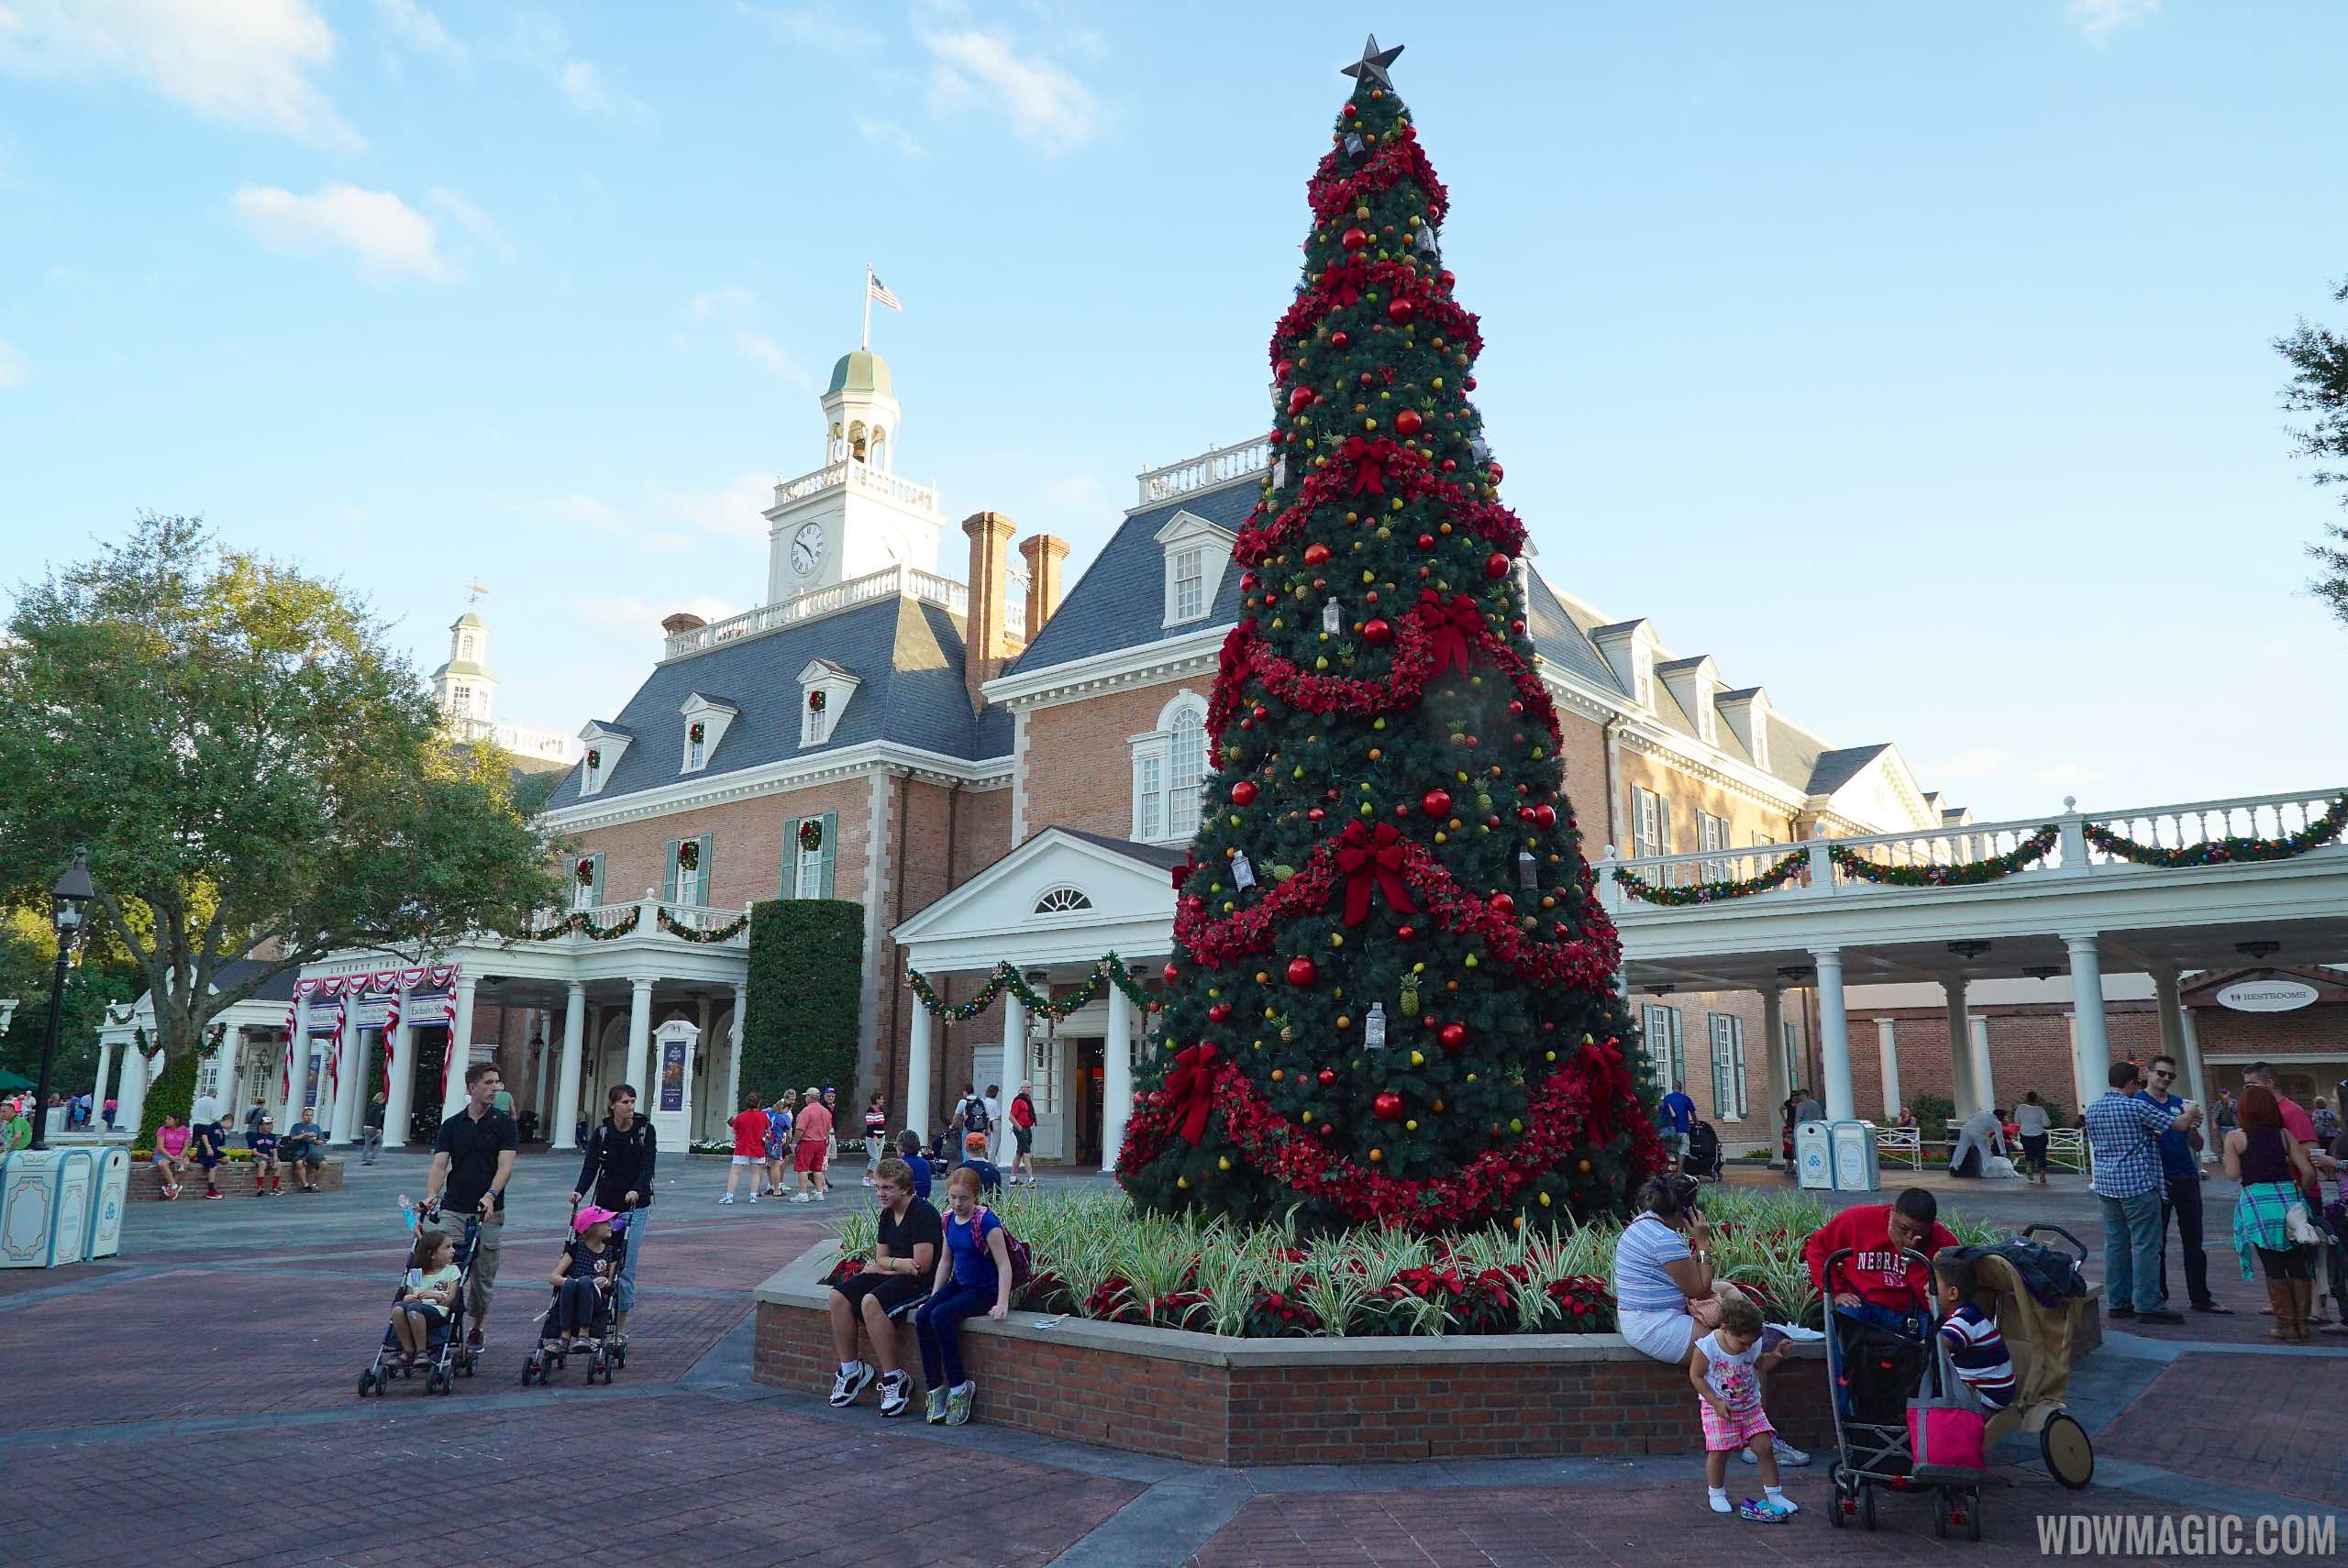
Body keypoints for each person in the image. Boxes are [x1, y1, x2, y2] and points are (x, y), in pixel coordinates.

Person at [1613, 1172, 1808, 1467]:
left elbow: (1701, 1286)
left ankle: (1758, 1333)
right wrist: (1702, 1243)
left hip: (1645, 1314)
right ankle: (1756, 1442)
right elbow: (1700, 1289)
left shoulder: (1643, 1225)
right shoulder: (1665, 1239)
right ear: (1686, 1210)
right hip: (1655, 1326)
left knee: (1730, 1291)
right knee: (1745, 1350)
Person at [2084, 1060, 2199, 1325]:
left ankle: (2118, 1302)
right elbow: (2179, 1126)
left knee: (2115, 1244)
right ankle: (2149, 1305)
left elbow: (2119, 1137)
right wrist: (2191, 1111)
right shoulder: (2136, 1106)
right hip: (2136, 1184)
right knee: (2146, 1246)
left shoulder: (2094, 1109)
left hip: (2106, 1184)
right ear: (2132, 1083)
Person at [827, 1157, 942, 1418]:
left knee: (870, 1301)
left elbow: (921, 1266)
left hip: (922, 1282)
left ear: (905, 1189)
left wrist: (889, 1266)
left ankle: (895, 1378)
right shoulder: (887, 1214)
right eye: (879, 1187)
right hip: (895, 1273)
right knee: (838, 1296)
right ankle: (851, 1370)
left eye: (887, 1188)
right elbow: (881, 1258)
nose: (881, 1193)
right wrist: (895, 1264)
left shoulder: (922, 1213)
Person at [421, 1064, 517, 1353]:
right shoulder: (452, 1125)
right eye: (489, 1083)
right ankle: (440, 1326)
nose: (495, 1088)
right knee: (443, 1268)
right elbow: (440, 1164)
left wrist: (490, 1195)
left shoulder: (504, 1124)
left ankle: (476, 1328)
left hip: (488, 1212)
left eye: (497, 1083)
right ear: (472, 1087)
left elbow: (506, 1166)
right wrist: (431, 1195)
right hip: (453, 1208)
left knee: (482, 1275)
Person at [914, 1165, 1014, 1427]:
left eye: (964, 1198)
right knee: (925, 1315)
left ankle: (959, 1386)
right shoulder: (948, 1219)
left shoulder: (987, 1222)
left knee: (941, 1317)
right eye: (953, 1197)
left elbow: (1004, 1264)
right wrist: (935, 1295)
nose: (957, 1203)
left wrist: (1002, 1302)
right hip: (960, 1283)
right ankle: (935, 1387)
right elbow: (946, 1261)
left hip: (984, 1290)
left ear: (975, 1196)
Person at [2225, 1084, 2322, 1342]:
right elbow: (2310, 1172)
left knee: (2272, 1264)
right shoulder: (2284, 1135)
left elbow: (2233, 1174)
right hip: (2288, 1202)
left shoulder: (2236, 1137)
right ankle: (2302, 1325)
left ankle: (2285, 1325)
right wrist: (2300, 1193)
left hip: (2258, 1205)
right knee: (2297, 1261)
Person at [1689, 1294, 1798, 1518]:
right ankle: (1716, 1492)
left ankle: (1774, 1493)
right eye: (1742, 1343)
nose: (1746, 1348)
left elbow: (1760, 1363)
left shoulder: (1750, 1344)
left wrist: (1776, 1356)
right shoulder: (1707, 1347)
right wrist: (1715, 1402)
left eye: (1750, 1343)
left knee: (1764, 1447)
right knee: (1719, 1452)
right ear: (1726, 1328)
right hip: (1718, 1408)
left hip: (1750, 1406)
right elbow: (1696, 1376)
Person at [2138, 1055, 2229, 1316]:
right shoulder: (2138, 1103)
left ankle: (2200, 1297)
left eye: (2170, 1075)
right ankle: (2159, 1298)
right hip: (2158, 1178)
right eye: (2161, 1073)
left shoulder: (2181, 1104)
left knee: (2194, 1240)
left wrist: (2192, 1127)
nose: (2165, 1079)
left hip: (2186, 1176)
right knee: (2157, 1243)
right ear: (2149, 1072)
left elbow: (2198, 1145)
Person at [1802, 1187, 1959, 1331]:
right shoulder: (1858, 1220)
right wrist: (1837, 1291)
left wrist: (1911, 1257)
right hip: (1863, 1303)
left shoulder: (1944, 1242)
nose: (1910, 1236)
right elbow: (1817, 1247)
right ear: (1893, 1213)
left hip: (1913, 1310)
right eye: (1903, 1228)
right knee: (1843, 1320)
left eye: (1919, 1233)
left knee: (1938, 1332)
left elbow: (1936, 1303)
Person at [571, 1082, 656, 1340]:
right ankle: (591, 1318)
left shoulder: (645, 1130)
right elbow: (590, 1167)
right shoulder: (603, 1133)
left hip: (635, 1206)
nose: (630, 1106)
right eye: (625, 1102)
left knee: (625, 1266)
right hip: (605, 1206)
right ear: (612, 1105)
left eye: (633, 1101)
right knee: (599, 1259)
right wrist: (579, 1191)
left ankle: (621, 1328)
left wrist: (637, 1190)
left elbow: (647, 1167)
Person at [1932, 1254, 2014, 1411]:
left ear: (1952, 1293)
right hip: (1979, 1388)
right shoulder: (1964, 1314)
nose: (1925, 1288)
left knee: (1929, 1389)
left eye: (1931, 1284)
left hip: (1986, 1399)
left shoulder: (1966, 1319)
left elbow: (1937, 1346)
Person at [545, 1205, 619, 1352]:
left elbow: (610, 1283)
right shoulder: (576, 1249)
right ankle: (564, 1336)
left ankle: (584, 1334)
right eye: (605, 1222)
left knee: (585, 1282)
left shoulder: (611, 1252)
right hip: (572, 1293)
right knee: (575, 1283)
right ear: (591, 1228)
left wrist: (604, 1281)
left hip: (596, 1297)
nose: (610, 1225)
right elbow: (553, 1277)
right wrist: (571, 1282)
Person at [389, 1228, 462, 1369]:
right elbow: (409, 1296)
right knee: (398, 1308)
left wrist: (436, 1296)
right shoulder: (416, 1274)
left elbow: (450, 1301)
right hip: (415, 1307)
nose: (453, 1250)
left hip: (437, 1310)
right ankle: (408, 1351)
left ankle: (422, 1352)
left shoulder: (451, 1271)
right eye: (447, 1247)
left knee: (414, 1309)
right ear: (432, 1254)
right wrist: (409, 1298)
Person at [722, 1092, 768, 1205]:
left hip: (742, 1147)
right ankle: (753, 1196)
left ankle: (729, 1196)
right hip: (758, 1147)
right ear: (758, 1103)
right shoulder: (763, 1116)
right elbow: (767, 1128)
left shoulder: (740, 1116)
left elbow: (734, 1130)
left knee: (735, 1172)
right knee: (756, 1173)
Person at [792, 1084, 834, 1202]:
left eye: (806, 1096)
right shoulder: (826, 1112)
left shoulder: (806, 1111)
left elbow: (800, 1129)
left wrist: (795, 1142)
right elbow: (828, 1128)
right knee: (818, 1169)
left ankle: (802, 1193)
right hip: (821, 1142)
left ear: (810, 1097)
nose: (805, 1099)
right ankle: (819, 1192)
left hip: (807, 1142)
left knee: (802, 1168)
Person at [1948, 1106, 2007, 1178]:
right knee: (1985, 1151)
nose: (2003, 1119)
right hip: (1979, 1133)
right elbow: (1999, 1138)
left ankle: (1954, 1167)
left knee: (1961, 1149)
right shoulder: (1996, 1123)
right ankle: (1988, 1168)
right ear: (2000, 1116)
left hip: (1966, 1129)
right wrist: (2003, 1152)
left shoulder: (1983, 1114)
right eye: (2003, 1117)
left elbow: (1971, 1117)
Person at [281, 1106, 327, 1192]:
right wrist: (304, 1135)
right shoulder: (296, 1126)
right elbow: (292, 1138)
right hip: (300, 1149)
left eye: (311, 1115)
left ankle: (315, 1184)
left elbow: (322, 1141)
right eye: (307, 1115)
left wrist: (315, 1141)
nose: (309, 1117)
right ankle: (305, 1184)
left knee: (323, 1164)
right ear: (303, 1116)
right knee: (299, 1163)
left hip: (312, 1149)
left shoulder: (316, 1127)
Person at [188, 1108, 230, 1199]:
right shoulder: (215, 1125)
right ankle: (211, 1191)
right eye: (231, 1123)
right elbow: (204, 1135)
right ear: (228, 1121)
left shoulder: (222, 1132)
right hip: (205, 1150)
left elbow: (220, 1144)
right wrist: (208, 1147)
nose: (230, 1126)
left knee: (226, 1158)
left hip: (214, 1151)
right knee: (213, 1166)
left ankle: (209, 1160)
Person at [2012, 1091, 2053, 1185]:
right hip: (2039, 1134)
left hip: (2025, 1134)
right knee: (2041, 1155)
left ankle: (2029, 1167)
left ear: (2026, 1098)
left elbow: (2016, 1121)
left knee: (2028, 1153)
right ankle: (2042, 1176)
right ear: (2036, 1098)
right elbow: (2047, 1124)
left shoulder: (2020, 1108)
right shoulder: (2040, 1109)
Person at [763, 1088, 796, 1198]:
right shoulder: (784, 1117)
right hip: (776, 1143)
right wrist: (787, 1144)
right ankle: (777, 1189)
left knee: (767, 1165)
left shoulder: (767, 1112)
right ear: (786, 1108)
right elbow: (789, 1135)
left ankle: (770, 1186)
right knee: (776, 1165)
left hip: (766, 1141)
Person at [150, 1113, 191, 1199]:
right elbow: (160, 1146)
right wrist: (171, 1157)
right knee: (162, 1164)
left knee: (185, 1163)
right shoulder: (162, 1129)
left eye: (169, 1119)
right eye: (166, 1118)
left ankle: (170, 1188)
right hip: (164, 1153)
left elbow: (186, 1146)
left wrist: (180, 1156)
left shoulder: (185, 1130)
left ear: (176, 1120)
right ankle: (174, 1186)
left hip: (179, 1153)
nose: (166, 1121)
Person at [1656, 1083, 1696, 1169]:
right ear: (1681, 1088)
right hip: (1683, 1128)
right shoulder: (1685, 1098)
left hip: (1670, 1129)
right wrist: (1696, 1121)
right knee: (1682, 1151)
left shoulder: (1666, 1098)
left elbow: (1660, 1113)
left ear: (1672, 1088)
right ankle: (1679, 1171)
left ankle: (1667, 1172)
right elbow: (1693, 1113)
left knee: (1672, 1151)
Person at [1009, 1085, 1038, 1187]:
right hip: (1021, 1129)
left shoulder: (1027, 1099)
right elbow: (1011, 1116)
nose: (1029, 1089)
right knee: (1026, 1153)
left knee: (1019, 1153)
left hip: (1027, 1128)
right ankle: (1031, 1179)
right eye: (1026, 1087)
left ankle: (1013, 1179)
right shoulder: (1018, 1100)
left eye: (1030, 1087)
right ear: (1021, 1088)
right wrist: (1020, 1129)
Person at [249, 1115, 282, 1195]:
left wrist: (275, 1156)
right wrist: (262, 1155)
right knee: (263, 1163)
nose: (269, 1126)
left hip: (268, 1156)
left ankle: (274, 1188)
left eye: (270, 1124)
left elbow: (274, 1149)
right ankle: (259, 1187)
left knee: (279, 1164)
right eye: (267, 1124)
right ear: (261, 1125)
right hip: (258, 1156)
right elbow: (253, 1151)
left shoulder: (272, 1136)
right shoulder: (255, 1136)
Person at [896, 1129, 934, 1201]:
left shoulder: (901, 1164)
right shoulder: (925, 1163)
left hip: (906, 1202)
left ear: (900, 1147)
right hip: (924, 1200)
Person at [861, 1092, 889, 1187]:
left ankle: (873, 1178)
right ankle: (866, 1177)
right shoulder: (870, 1110)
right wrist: (875, 1136)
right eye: (881, 1099)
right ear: (876, 1100)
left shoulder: (880, 1110)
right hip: (872, 1138)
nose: (883, 1100)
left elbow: (881, 1124)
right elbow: (870, 1125)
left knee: (878, 1159)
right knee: (875, 1158)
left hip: (882, 1136)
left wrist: (881, 1135)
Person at [360, 1090, 387, 1165]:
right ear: (381, 1099)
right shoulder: (378, 1106)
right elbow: (377, 1118)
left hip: (366, 1127)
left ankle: (364, 1157)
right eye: (384, 1099)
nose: (384, 1101)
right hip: (373, 1127)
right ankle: (373, 1156)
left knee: (367, 1144)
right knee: (380, 1142)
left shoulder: (370, 1105)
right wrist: (378, 1128)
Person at [980, 1083, 1003, 1165]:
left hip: (987, 1122)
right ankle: (991, 1162)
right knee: (994, 1144)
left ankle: (986, 1161)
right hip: (995, 1122)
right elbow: (999, 1115)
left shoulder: (983, 1101)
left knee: (987, 1144)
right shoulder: (995, 1103)